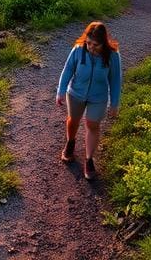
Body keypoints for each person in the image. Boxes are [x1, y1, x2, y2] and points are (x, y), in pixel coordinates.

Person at [55, 21, 122, 181]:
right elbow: (67, 70)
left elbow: (115, 81)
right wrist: (61, 91)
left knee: (93, 125)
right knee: (73, 120)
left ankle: (89, 159)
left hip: (98, 97)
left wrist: (114, 103)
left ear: (104, 42)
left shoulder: (113, 55)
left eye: (96, 45)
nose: (91, 47)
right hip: (76, 93)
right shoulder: (78, 50)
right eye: (89, 43)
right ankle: (70, 143)